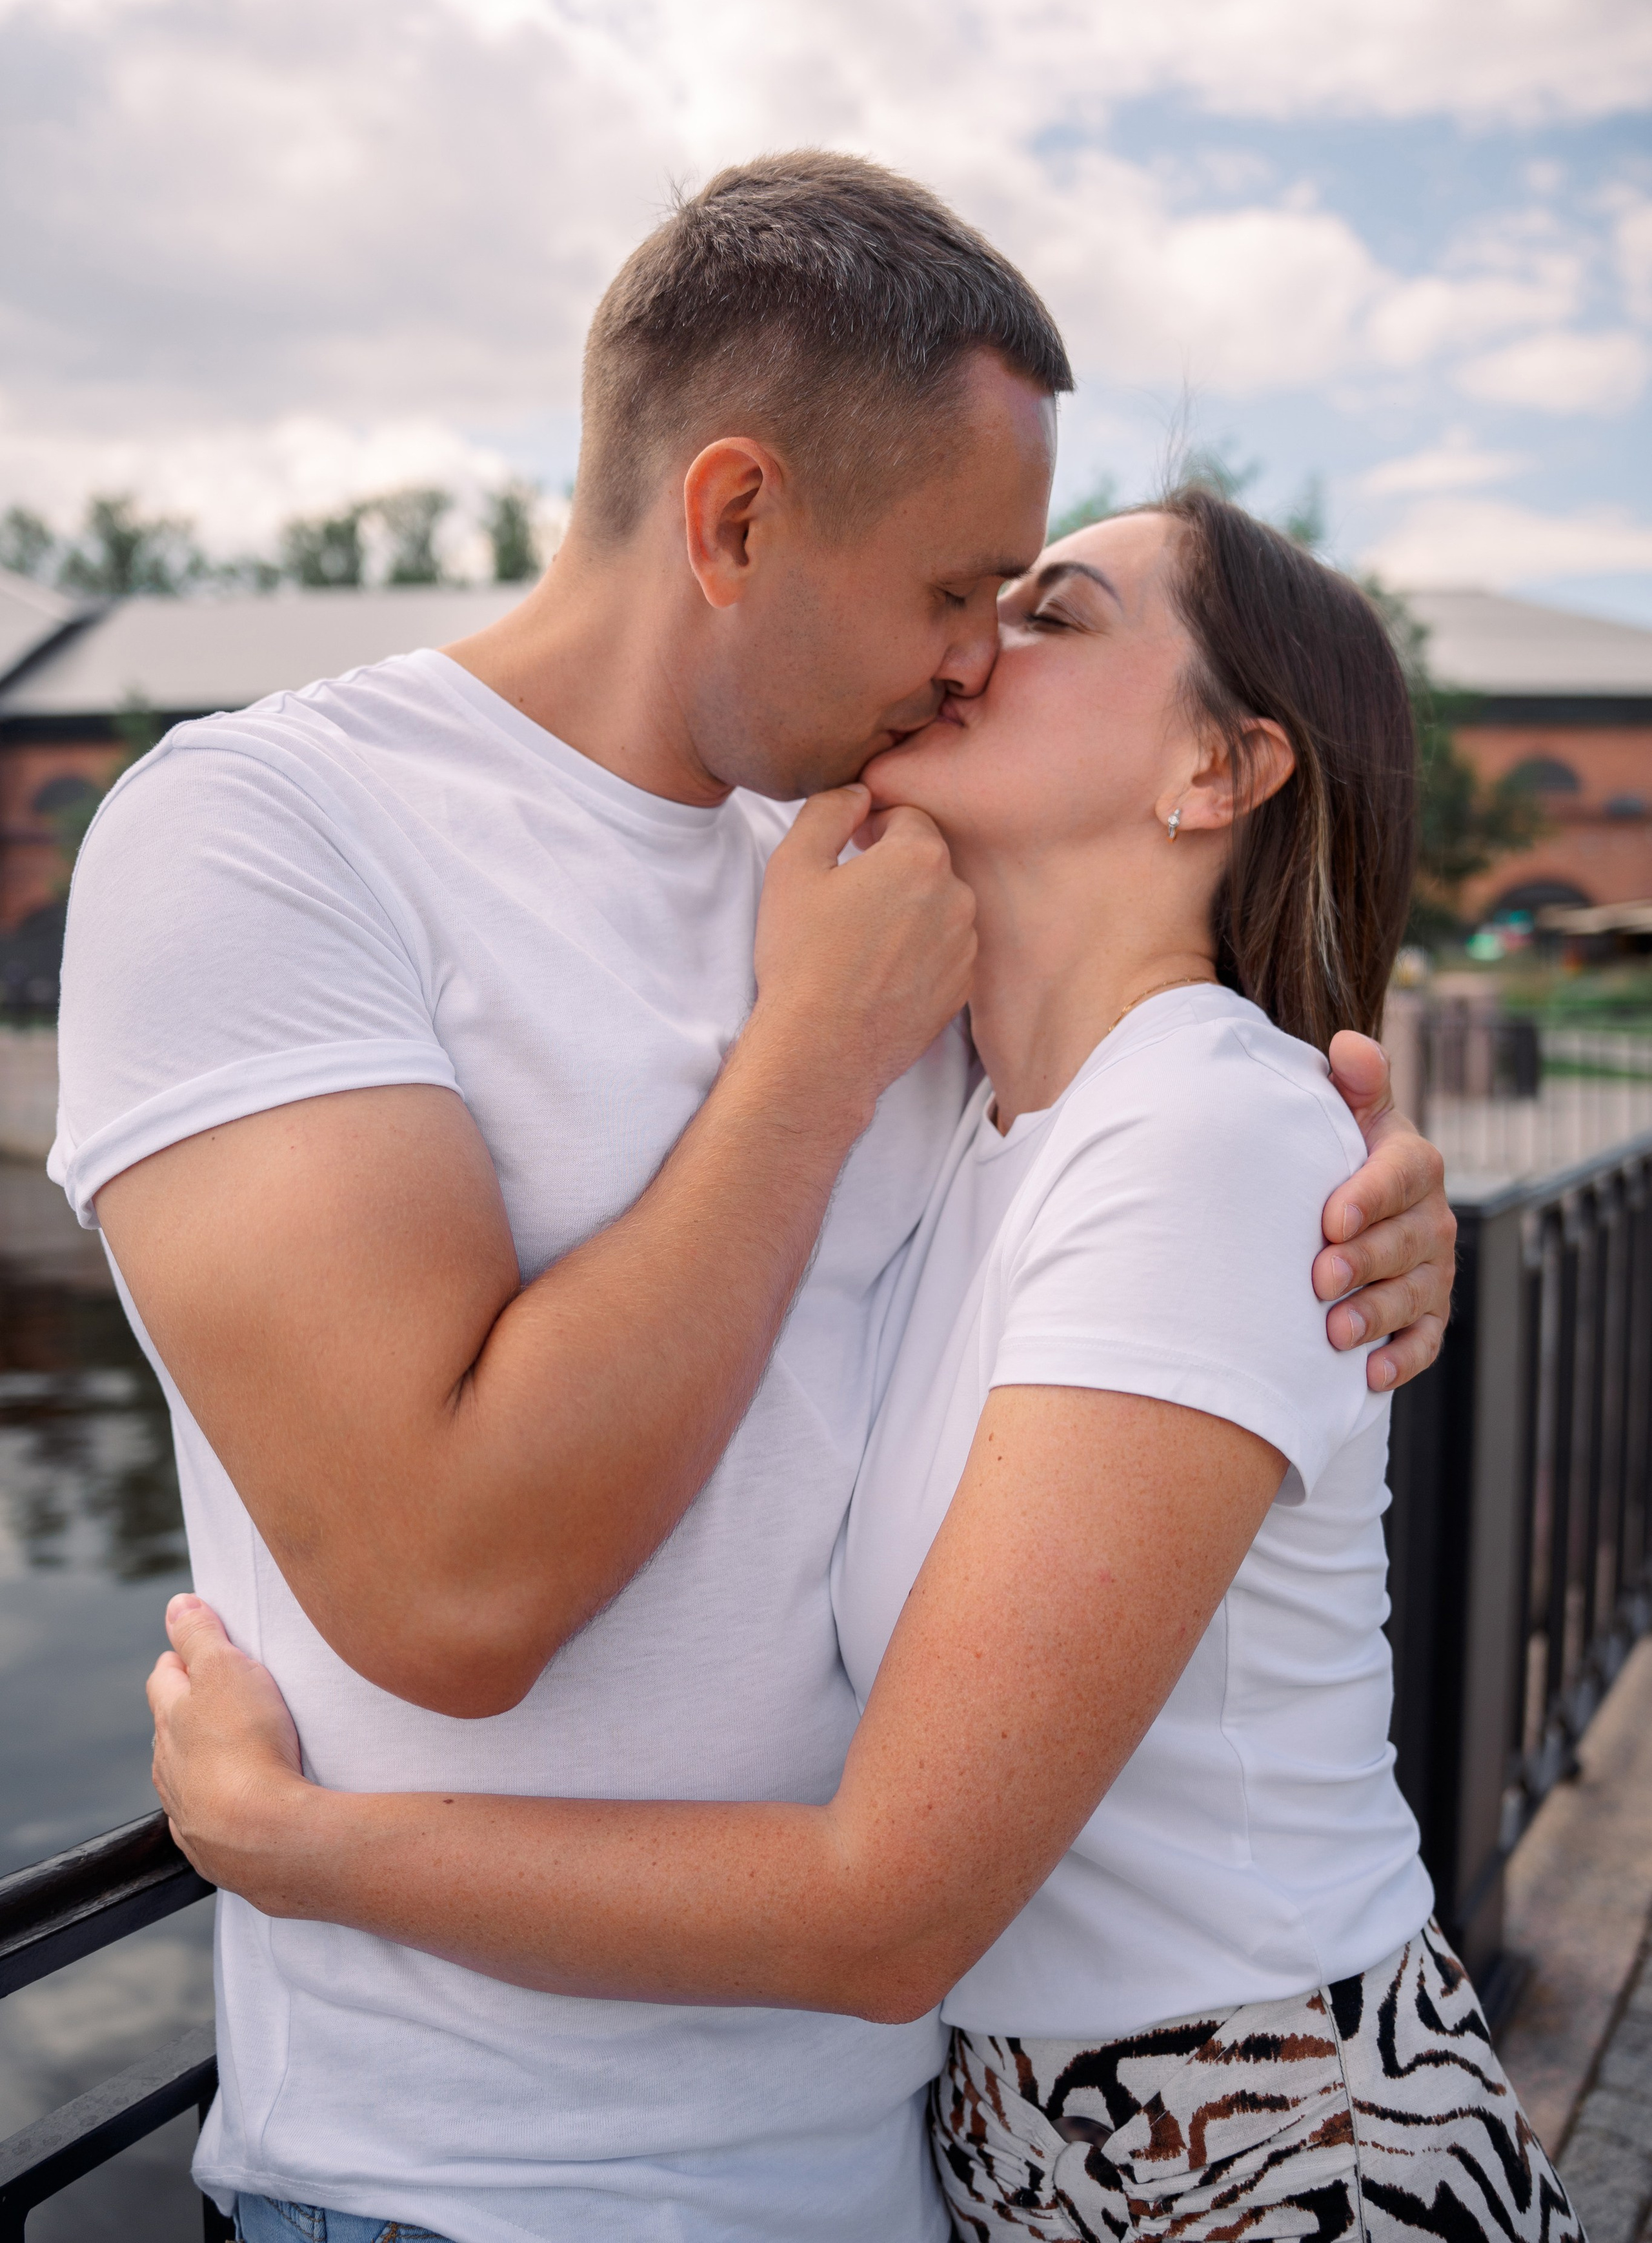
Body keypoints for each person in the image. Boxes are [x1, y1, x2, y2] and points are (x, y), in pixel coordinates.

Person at [56, 154, 1453, 2243]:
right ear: (734, 519)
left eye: (1025, 604)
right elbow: (451, 1589)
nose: (973, 660)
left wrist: (1375, 1200)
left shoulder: (888, 885)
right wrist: (808, 1064)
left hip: (910, 2163)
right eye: (958, 590)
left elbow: (1186, 1116)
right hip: (474, 2196)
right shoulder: (269, 834)